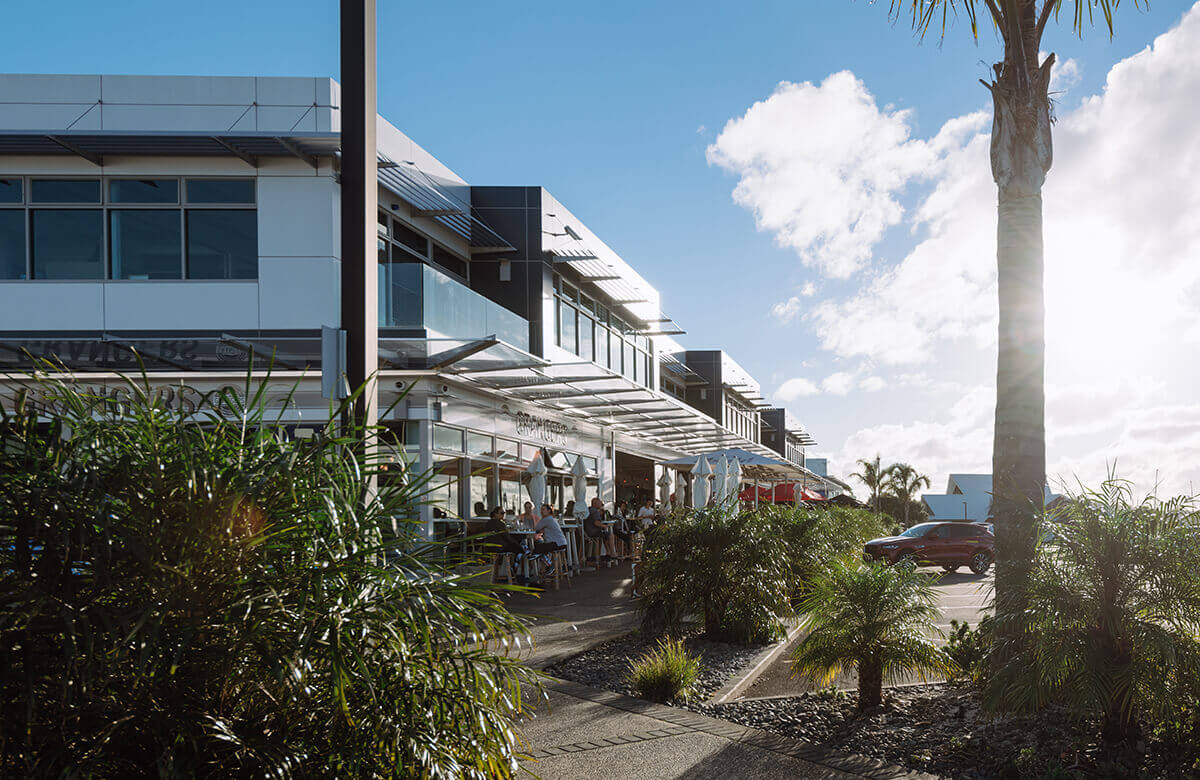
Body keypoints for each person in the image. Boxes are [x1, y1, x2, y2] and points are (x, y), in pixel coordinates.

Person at [532, 503, 568, 572]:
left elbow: (536, 528)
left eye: (543, 509)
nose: (541, 511)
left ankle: (549, 565)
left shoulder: (546, 519)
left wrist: (541, 529)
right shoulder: (552, 519)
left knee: (536, 549)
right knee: (540, 548)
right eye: (541, 510)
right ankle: (548, 565)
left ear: (549, 511)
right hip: (562, 543)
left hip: (556, 544)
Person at [584, 497, 615, 564]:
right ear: (595, 503)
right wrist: (604, 526)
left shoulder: (589, 510)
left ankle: (608, 553)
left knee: (605, 535)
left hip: (587, 532)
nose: (601, 504)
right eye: (600, 502)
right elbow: (596, 523)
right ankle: (612, 553)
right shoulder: (595, 511)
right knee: (610, 535)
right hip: (593, 532)